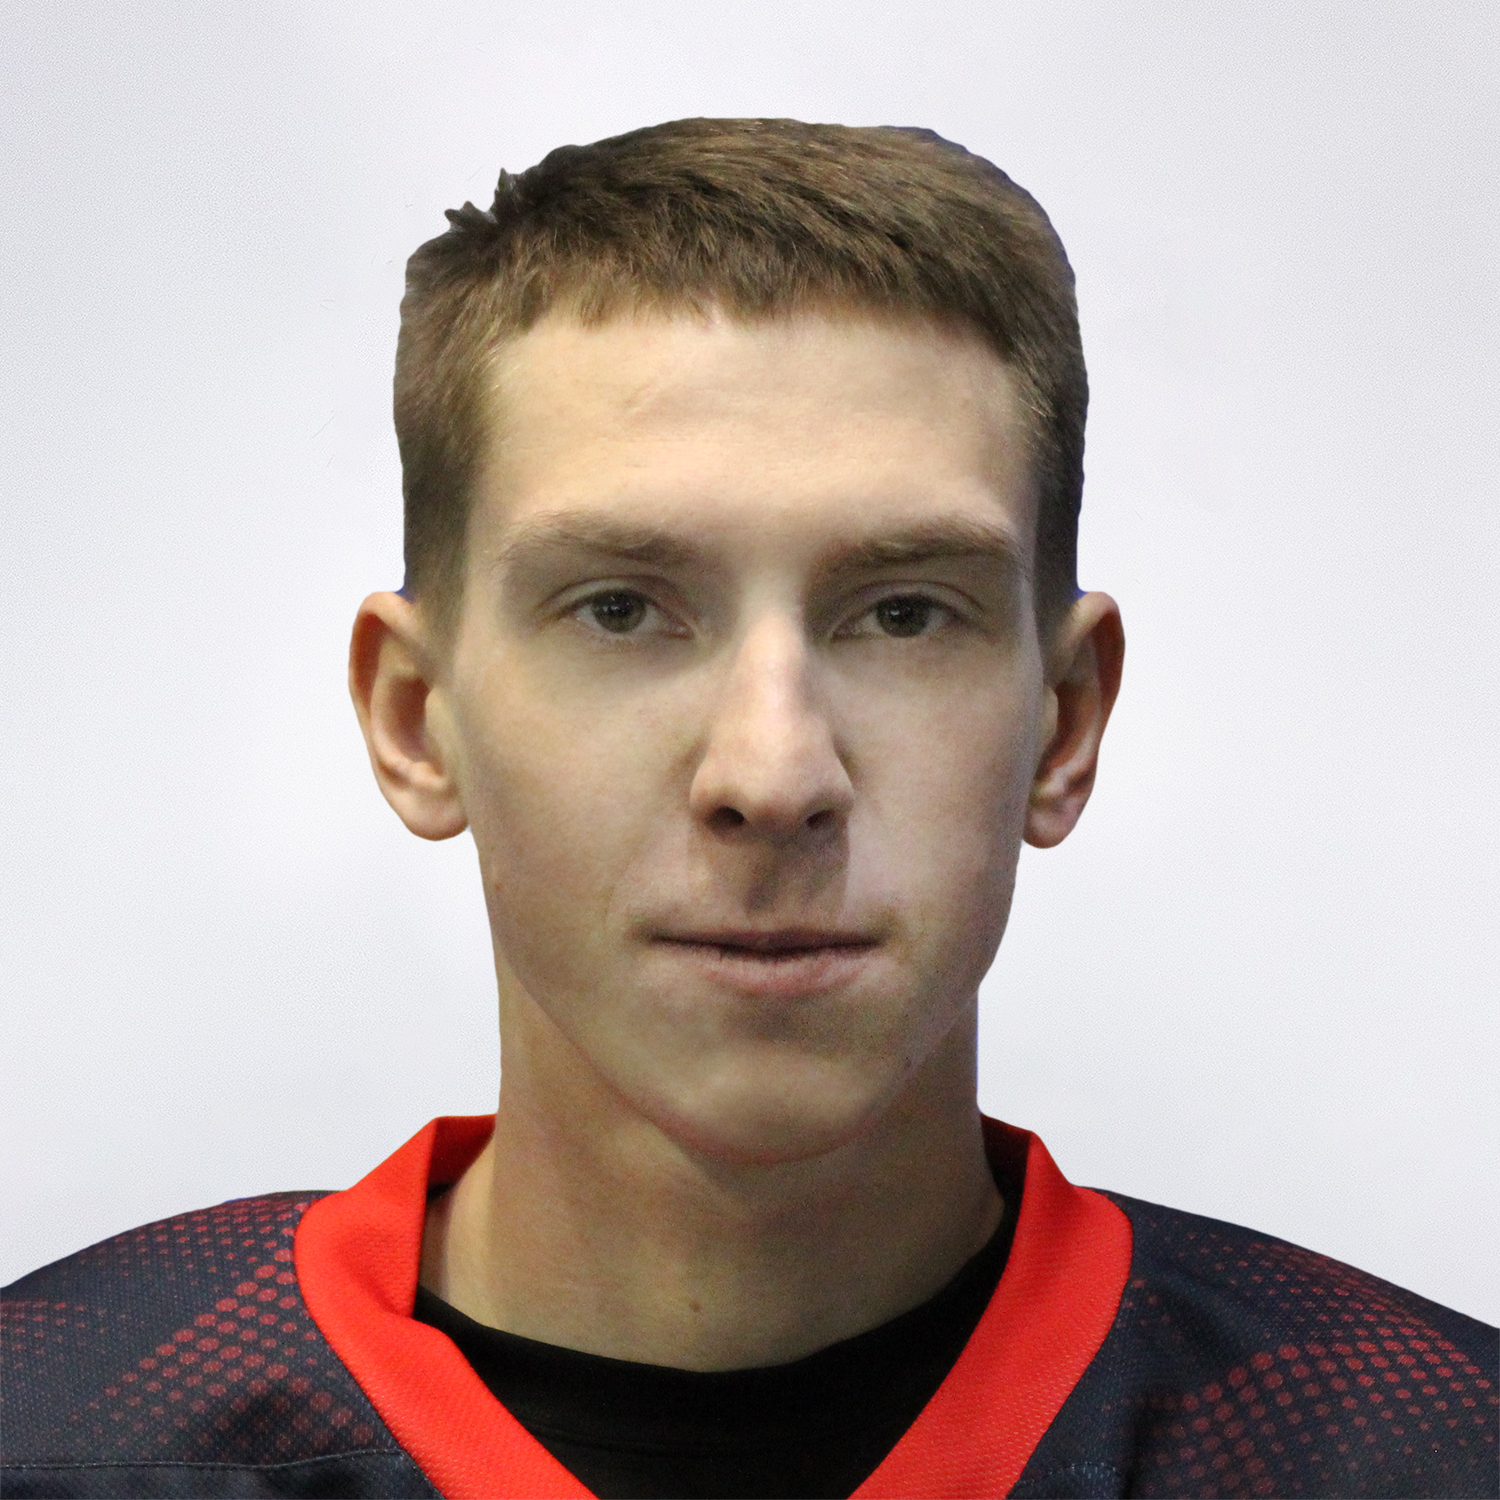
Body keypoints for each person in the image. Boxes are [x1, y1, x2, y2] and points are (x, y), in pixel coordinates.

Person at [2, 117, 1494, 1500]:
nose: (773, 780)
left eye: (904, 613)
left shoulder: (1425, 1447)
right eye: (619, 608)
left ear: (1065, 721)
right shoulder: (52, 1430)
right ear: (415, 719)